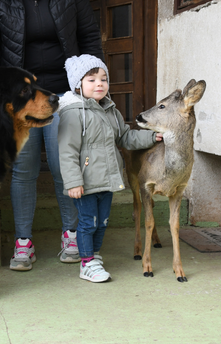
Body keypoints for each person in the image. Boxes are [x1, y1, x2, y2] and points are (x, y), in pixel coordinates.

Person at [0, 0, 105, 271]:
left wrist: (92, 82)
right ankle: (24, 241)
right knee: (24, 169)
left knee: (64, 166)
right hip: (24, 101)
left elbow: (89, 38)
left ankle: (71, 234)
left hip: (64, 95)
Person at [57, 54, 162, 282]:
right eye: (92, 80)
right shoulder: (72, 113)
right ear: (78, 85)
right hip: (84, 182)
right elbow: (67, 151)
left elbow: (125, 137)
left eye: (103, 79)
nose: (99, 84)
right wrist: (73, 182)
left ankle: (92, 256)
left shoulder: (110, 111)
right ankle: (86, 263)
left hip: (106, 179)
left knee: (102, 221)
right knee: (88, 222)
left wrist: (153, 137)